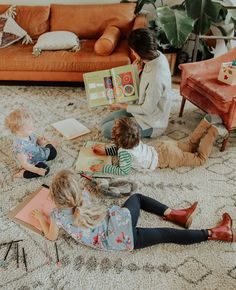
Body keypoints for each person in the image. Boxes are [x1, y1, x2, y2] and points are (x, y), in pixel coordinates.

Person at [31, 170, 235, 250]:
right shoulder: (84, 196)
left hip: (120, 241)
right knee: (136, 198)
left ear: (55, 199)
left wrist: (41, 217)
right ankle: (177, 215)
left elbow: (50, 237)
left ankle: (214, 233)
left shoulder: (56, 215)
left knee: (166, 235)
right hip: (120, 223)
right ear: (77, 190)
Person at [90, 115, 228, 176]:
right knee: (190, 145)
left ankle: (213, 132)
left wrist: (104, 167)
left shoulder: (125, 152)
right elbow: (120, 148)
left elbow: (123, 171)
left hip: (168, 157)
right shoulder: (133, 139)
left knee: (200, 159)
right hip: (164, 146)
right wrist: (107, 151)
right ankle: (205, 122)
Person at [101, 28, 172, 139]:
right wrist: (135, 70)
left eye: (133, 51)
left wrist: (120, 105)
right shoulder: (156, 55)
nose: (133, 54)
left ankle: (142, 132)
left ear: (140, 52)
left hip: (151, 122)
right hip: (138, 109)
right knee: (103, 123)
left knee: (106, 130)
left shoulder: (156, 79)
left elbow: (147, 110)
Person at [5, 108, 57, 179]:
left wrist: (39, 141)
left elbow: (34, 142)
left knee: (53, 153)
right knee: (46, 170)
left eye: (32, 125)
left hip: (38, 152)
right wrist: (37, 170)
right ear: (18, 131)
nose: (33, 128)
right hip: (32, 162)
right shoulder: (20, 148)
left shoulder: (28, 133)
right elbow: (25, 164)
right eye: (29, 128)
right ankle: (23, 174)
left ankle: (50, 146)